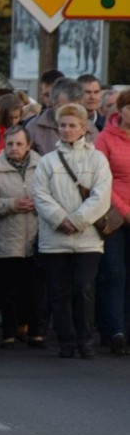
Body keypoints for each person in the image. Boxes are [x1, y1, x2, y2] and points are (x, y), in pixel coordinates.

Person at [33, 103, 111, 358]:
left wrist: (77, 220)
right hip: (54, 238)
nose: (67, 130)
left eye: (72, 125)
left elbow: (101, 195)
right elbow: (40, 194)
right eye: (63, 125)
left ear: (83, 128)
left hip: (87, 239)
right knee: (59, 291)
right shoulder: (47, 161)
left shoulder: (97, 158)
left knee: (84, 287)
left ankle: (85, 339)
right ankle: (66, 340)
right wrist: (60, 219)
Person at [0, 126, 45, 348]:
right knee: (7, 289)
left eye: (19, 144)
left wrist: (40, 205)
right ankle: (9, 332)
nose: (14, 148)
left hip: (35, 236)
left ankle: (35, 331)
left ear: (28, 145)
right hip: (6, 237)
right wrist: (13, 204)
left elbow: (51, 194)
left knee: (34, 288)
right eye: (10, 144)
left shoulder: (42, 166)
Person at [94, 89, 130, 354]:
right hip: (114, 217)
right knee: (114, 274)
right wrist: (125, 211)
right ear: (121, 110)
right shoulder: (105, 138)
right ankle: (115, 330)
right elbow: (102, 181)